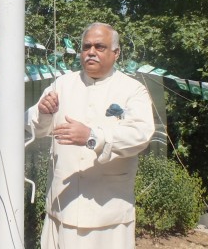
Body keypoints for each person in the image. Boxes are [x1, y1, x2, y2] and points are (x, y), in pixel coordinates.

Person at [27, 22, 155, 249]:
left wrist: (92, 136)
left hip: (108, 213)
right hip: (62, 206)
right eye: (86, 47)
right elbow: (34, 127)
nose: (91, 52)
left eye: (99, 46)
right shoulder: (62, 84)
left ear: (116, 53)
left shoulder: (132, 89)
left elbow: (141, 134)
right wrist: (43, 112)